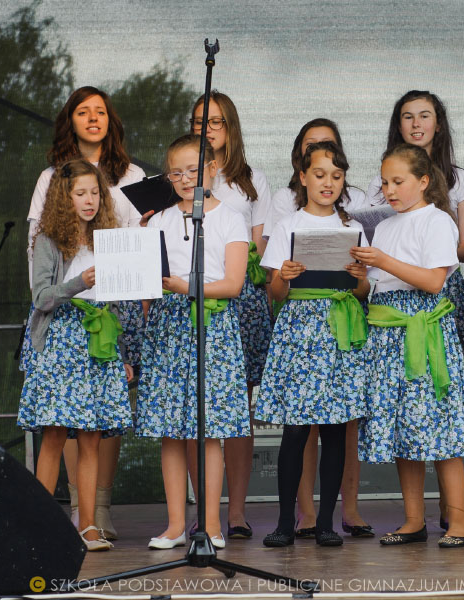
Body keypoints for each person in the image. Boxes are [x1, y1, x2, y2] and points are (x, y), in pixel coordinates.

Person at [23, 86, 144, 539]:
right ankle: (42, 526)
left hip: (98, 342)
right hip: (59, 341)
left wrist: (122, 351)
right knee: (55, 435)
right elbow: (41, 297)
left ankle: (89, 525)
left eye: (95, 193)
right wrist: (80, 283)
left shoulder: (106, 238)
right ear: (64, 196)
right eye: (81, 193)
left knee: (92, 435)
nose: (90, 200)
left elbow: (114, 301)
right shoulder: (50, 241)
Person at [353, 143, 464, 548]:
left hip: (424, 334)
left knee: (439, 425)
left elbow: (434, 281)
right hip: (388, 333)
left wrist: (382, 261)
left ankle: (459, 521)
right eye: (385, 183)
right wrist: (360, 272)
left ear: (423, 181)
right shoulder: (386, 226)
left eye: (398, 181)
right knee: (404, 428)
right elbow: (379, 284)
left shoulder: (437, 220)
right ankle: (413, 520)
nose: (389, 190)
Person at [135, 134, 249, 550]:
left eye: (193, 171)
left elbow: (233, 284)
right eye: (176, 173)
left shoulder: (230, 218)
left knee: (210, 429)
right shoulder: (160, 219)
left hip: (212, 324)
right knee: (171, 431)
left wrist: (187, 287)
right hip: (168, 325)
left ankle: (212, 524)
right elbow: (146, 281)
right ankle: (174, 525)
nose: (185, 179)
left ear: (213, 170)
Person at [257, 141, 370, 547]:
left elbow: (362, 292)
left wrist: (360, 278)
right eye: (319, 175)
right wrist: (284, 277)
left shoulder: (351, 227)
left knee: (336, 430)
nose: (328, 183)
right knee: (295, 429)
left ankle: (326, 522)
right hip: (300, 333)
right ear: (303, 177)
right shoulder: (288, 225)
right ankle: (286, 521)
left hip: (339, 331)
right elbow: (274, 294)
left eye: (336, 176)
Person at [184, 91, 271, 540]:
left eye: (215, 121)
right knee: (195, 408)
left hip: (241, 301)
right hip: (190, 300)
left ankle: (235, 512)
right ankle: (204, 513)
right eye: (199, 122)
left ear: (230, 126)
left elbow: (260, 247)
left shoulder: (251, 180)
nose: (207, 129)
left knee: (236, 409)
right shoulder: (181, 175)